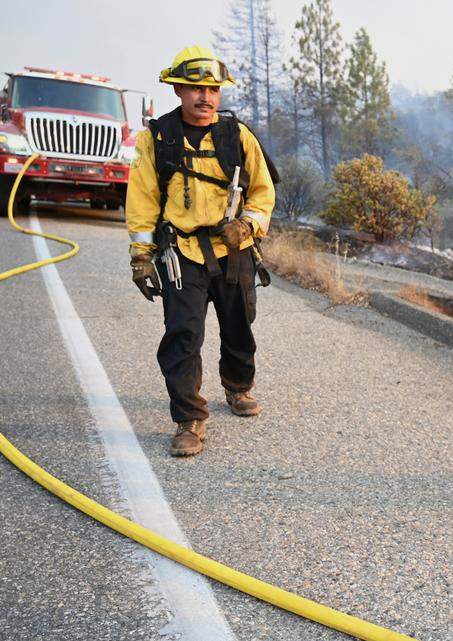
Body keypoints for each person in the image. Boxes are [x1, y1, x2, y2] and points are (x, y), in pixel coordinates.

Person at [127, 45, 276, 457]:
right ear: (177, 88)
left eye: (212, 89)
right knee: (183, 335)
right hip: (183, 253)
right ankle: (189, 419)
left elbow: (263, 192)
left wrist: (247, 223)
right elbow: (141, 201)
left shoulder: (237, 136)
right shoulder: (156, 139)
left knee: (239, 325)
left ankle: (237, 385)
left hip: (235, 250)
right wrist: (141, 256)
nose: (205, 97)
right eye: (195, 88)